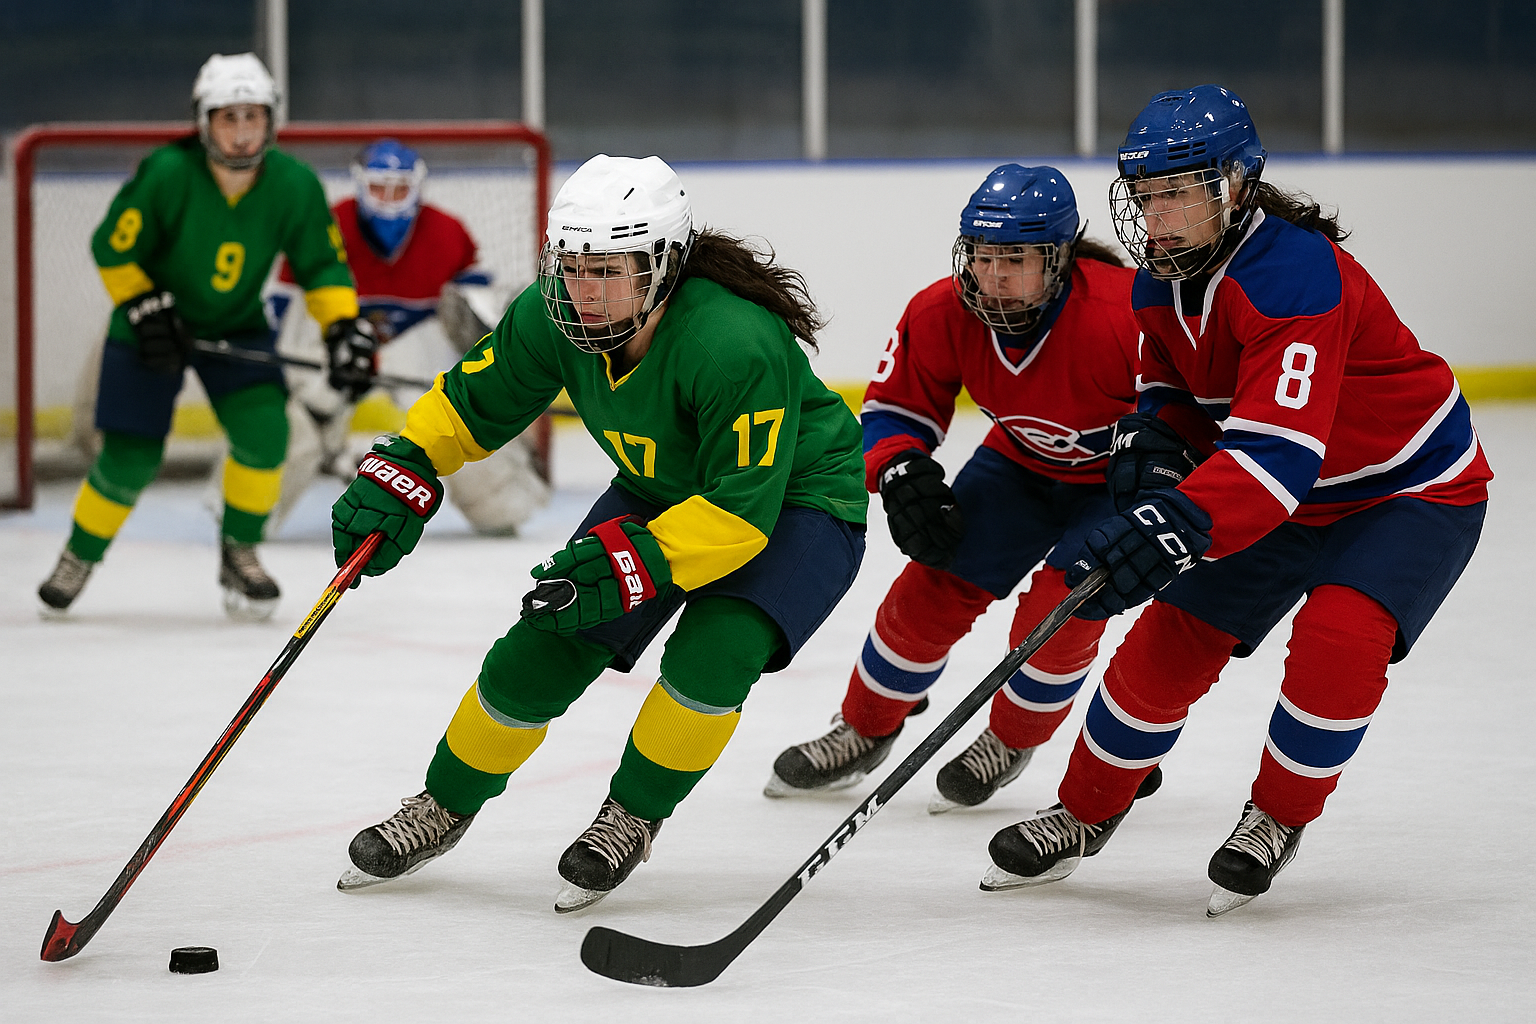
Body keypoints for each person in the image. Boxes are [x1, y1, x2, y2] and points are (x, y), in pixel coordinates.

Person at [979, 85, 1491, 916]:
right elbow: (1176, 386)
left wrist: (1177, 523)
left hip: (1406, 490)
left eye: (1179, 191)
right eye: (1147, 194)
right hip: (1280, 492)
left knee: (1339, 639)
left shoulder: (1295, 275)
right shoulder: (1161, 280)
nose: (1159, 214)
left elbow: (1278, 452)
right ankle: (1083, 812)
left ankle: (1276, 819)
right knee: (1168, 641)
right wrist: (1152, 445)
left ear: (1236, 185)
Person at [329, 154, 868, 912]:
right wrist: (408, 460)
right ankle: (443, 804)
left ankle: (634, 815)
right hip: (662, 492)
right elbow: (472, 402)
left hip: (794, 504)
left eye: (609, 269)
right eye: (571, 266)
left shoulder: (732, 340)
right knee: (545, 641)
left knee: (715, 654)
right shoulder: (553, 314)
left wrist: (639, 561)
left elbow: (743, 511)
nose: (584, 290)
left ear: (667, 266)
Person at [767, 164, 1165, 814]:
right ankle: (865, 728)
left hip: (1113, 486)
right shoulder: (939, 313)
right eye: (981, 255)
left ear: (1058, 259)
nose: (993, 275)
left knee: (1057, 613)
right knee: (926, 590)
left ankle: (1011, 740)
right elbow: (894, 411)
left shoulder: (1127, 312)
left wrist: (1161, 463)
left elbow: (1192, 407)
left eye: (1016, 258)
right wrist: (898, 468)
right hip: (1018, 469)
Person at [36, 52, 372, 621]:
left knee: (267, 435)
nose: (242, 134)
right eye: (228, 118)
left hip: (236, 326)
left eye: (253, 117)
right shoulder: (168, 173)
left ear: (272, 120)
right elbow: (112, 247)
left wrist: (342, 327)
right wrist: (143, 305)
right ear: (203, 122)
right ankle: (79, 554)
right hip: (152, 328)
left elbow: (322, 267)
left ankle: (239, 550)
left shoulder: (294, 184)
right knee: (130, 457)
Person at [217, 138, 549, 537]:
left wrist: (496, 387)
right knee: (299, 416)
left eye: (399, 188)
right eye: (379, 188)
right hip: (332, 356)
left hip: (416, 356)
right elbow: (283, 317)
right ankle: (243, 506)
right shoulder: (325, 227)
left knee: (458, 414)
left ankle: (502, 498)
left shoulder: (446, 232)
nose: (389, 200)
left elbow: (479, 315)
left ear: (418, 187)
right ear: (359, 186)